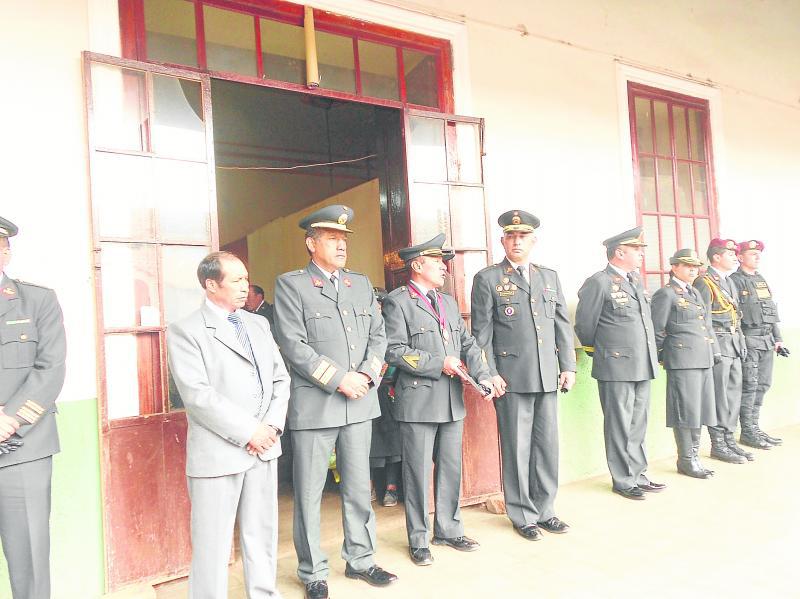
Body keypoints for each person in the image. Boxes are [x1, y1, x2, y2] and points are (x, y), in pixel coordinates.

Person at [273, 205, 396, 599]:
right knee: (309, 493)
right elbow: (293, 344)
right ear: (311, 244)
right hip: (317, 406)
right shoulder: (292, 285)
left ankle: (361, 559)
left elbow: (380, 336)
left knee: (359, 488)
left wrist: (366, 375)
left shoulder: (359, 284)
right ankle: (312, 572)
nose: (341, 245)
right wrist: (338, 378)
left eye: (344, 239)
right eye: (331, 238)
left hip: (360, 403)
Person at [167, 251, 290, 599]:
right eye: (235, 280)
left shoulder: (258, 324)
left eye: (245, 278)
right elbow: (197, 395)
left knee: (262, 535)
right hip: (218, 454)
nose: (245, 286)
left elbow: (281, 380)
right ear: (210, 285)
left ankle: (264, 593)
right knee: (212, 544)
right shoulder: (186, 331)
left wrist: (271, 428)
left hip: (264, 449)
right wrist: (249, 431)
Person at [382, 233, 494, 567]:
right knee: (417, 472)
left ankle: (448, 528)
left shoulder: (445, 302)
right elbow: (394, 350)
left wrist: (483, 375)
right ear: (417, 265)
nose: (444, 268)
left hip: (450, 400)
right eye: (436, 262)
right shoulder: (398, 302)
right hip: (417, 400)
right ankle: (418, 538)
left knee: (450, 468)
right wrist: (437, 364)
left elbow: (468, 343)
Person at [471, 210, 575, 539]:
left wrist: (568, 366)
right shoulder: (488, 279)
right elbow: (481, 333)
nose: (517, 242)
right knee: (517, 449)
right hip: (511, 378)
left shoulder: (549, 277)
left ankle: (546, 510)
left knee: (546, 447)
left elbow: (561, 325)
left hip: (547, 375)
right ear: (502, 240)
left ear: (533, 241)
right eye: (511, 236)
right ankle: (523, 516)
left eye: (523, 237)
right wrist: (488, 373)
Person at [0, 216, 67, 599]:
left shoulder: (37, 300)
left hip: (23, 448)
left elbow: (51, 368)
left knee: (29, 566)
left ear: (5, 252)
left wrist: (8, 420)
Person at [575, 226, 664, 500]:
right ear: (619, 252)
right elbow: (585, 325)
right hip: (616, 365)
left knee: (638, 422)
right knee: (619, 424)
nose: (640, 254)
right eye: (636, 250)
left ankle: (638, 473)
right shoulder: (599, 282)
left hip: (641, 363)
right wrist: (599, 352)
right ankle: (623, 479)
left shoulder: (635, 281)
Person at [651, 249, 718, 479]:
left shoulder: (695, 292)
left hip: (702, 358)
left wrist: (713, 352)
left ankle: (694, 457)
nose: (692, 269)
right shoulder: (666, 294)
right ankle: (686, 460)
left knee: (699, 410)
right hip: (682, 361)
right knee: (685, 411)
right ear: (674, 267)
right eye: (686, 265)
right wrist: (661, 356)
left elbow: (705, 325)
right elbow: (657, 329)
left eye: (695, 266)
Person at [694, 239, 752, 463]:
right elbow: (704, 319)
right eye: (730, 254)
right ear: (716, 256)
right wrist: (712, 348)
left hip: (734, 344)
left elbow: (736, 316)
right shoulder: (705, 282)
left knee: (733, 395)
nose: (735, 257)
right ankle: (718, 444)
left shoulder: (728, 282)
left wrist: (741, 341)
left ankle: (729, 441)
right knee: (719, 397)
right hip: (718, 345)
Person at [729, 240, 787, 449]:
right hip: (749, 340)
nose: (757, 257)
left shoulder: (761, 280)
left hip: (766, 340)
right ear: (740, 257)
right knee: (749, 386)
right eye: (752, 253)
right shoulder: (734, 281)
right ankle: (747, 431)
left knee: (762, 385)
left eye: (758, 254)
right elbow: (733, 315)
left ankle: (754, 426)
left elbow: (770, 311)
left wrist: (778, 339)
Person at [369, 287, 402, 508]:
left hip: (392, 390)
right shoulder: (365, 326)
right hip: (369, 390)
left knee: (394, 441)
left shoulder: (394, 325)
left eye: (380, 303)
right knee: (369, 443)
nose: (378, 307)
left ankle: (392, 486)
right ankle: (369, 485)